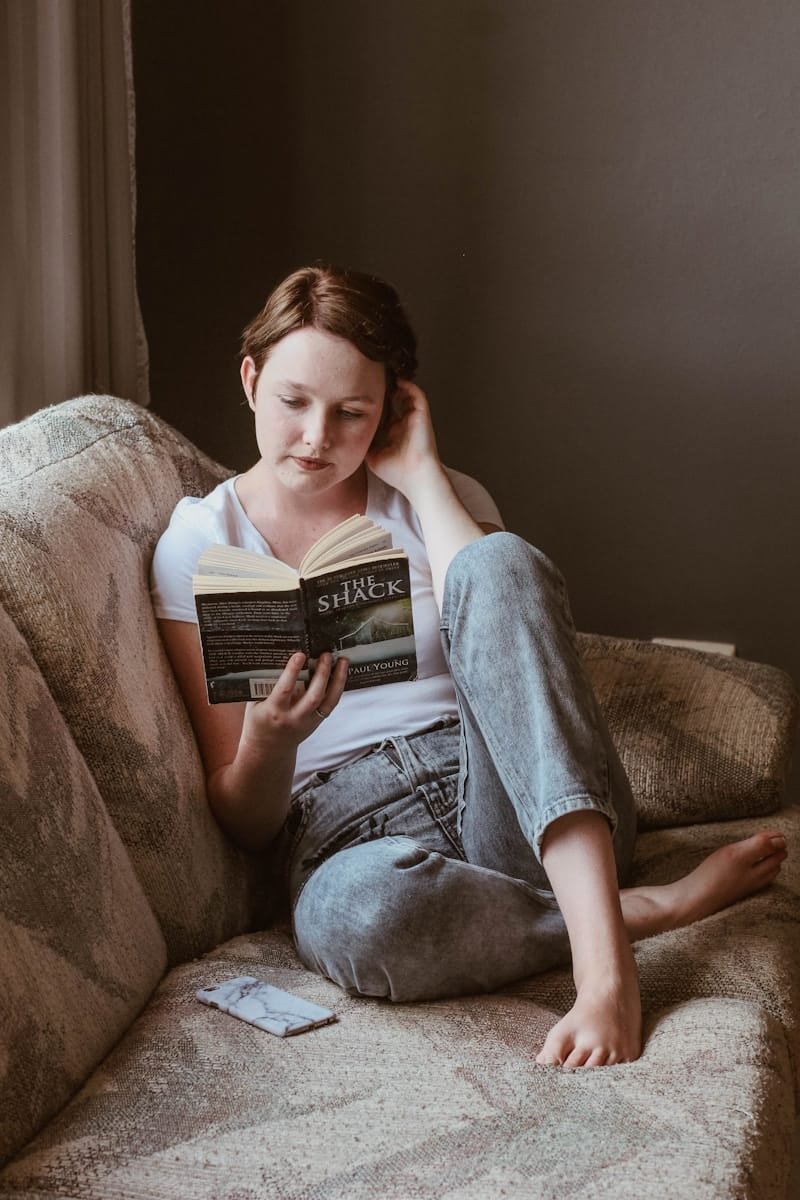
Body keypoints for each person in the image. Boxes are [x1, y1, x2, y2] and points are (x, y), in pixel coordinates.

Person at [151, 264, 787, 1068]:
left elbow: (510, 619)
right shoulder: (199, 544)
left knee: (499, 561)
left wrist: (421, 477)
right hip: (350, 840)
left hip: (515, 793)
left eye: (353, 412)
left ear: (394, 407)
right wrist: (272, 741)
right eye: (294, 402)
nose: (317, 437)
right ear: (250, 380)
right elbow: (242, 819)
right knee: (354, 921)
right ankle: (650, 909)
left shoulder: (440, 494)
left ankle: (603, 973)